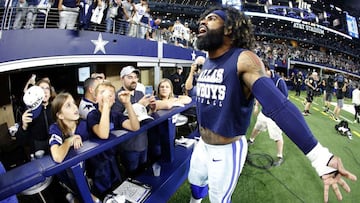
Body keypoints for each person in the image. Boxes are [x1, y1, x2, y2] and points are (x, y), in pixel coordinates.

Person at [188, 6, 356, 203]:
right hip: (202, 143)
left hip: (226, 149)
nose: (202, 21)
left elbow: (279, 106)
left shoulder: (244, 59)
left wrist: (320, 157)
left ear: (229, 29)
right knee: (195, 184)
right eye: (203, 18)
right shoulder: (208, 61)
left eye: (212, 18)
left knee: (218, 200)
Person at [87, 81, 140, 194]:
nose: (106, 95)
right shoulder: (92, 115)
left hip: (113, 159)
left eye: (110, 94)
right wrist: (105, 105)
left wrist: (127, 104)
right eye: (102, 92)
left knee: (117, 188)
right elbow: (103, 134)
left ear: (114, 99)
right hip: (98, 164)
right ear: (96, 98)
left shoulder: (115, 115)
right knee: (104, 193)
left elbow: (135, 127)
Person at [49, 92, 100, 203]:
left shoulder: (84, 124)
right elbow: (57, 156)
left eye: (73, 103)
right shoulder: (55, 128)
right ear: (60, 115)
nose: (75, 107)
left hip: (86, 172)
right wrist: (69, 141)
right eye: (68, 105)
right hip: (66, 177)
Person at [112, 66, 155, 177]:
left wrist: (152, 108)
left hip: (143, 141)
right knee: (132, 175)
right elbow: (117, 120)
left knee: (143, 171)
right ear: (122, 79)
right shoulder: (117, 97)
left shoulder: (140, 93)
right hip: (129, 145)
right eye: (130, 77)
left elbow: (145, 114)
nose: (134, 80)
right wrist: (138, 105)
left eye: (136, 77)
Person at [247, 63, 288, 166]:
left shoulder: (279, 81)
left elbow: (285, 98)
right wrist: (256, 106)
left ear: (266, 69)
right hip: (265, 112)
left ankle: (280, 156)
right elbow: (260, 93)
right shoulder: (262, 79)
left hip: (275, 114)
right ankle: (251, 140)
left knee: (277, 136)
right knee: (257, 127)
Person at [16, 78, 55, 159]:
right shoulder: (30, 112)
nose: (44, 91)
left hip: (55, 145)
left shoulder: (55, 108)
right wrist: (23, 127)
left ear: (50, 93)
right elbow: (21, 141)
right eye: (41, 88)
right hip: (38, 149)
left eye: (47, 88)